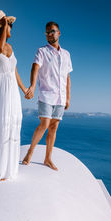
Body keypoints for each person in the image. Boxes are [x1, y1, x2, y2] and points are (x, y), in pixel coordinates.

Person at [0, 10, 28, 183]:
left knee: (13, 123)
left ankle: (9, 170)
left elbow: (13, 70)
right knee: (1, 125)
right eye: (10, 25)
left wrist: (24, 89)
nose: (11, 29)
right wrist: (2, 28)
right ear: (1, 27)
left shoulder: (10, 47)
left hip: (13, 92)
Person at [22, 21, 73, 170]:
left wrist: (68, 97)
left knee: (53, 128)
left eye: (52, 31)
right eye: (47, 33)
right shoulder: (42, 51)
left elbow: (67, 78)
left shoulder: (66, 54)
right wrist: (32, 86)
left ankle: (47, 159)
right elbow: (35, 67)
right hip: (46, 94)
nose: (49, 35)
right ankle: (30, 153)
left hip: (61, 97)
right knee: (44, 124)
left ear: (59, 33)